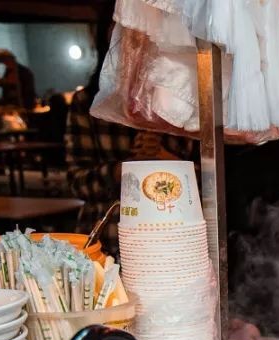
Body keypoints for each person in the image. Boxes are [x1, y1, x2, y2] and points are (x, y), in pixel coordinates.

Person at [65, 26, 193, 257]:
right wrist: (127, 169)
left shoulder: (181, 100)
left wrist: (164, 160)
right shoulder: (86, 103)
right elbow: (77, 182)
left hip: (171, 239)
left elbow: (209, 181)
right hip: (106, 239)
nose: (135, 43)